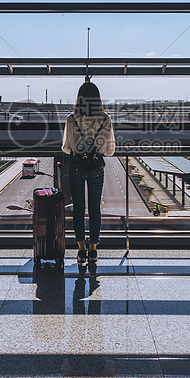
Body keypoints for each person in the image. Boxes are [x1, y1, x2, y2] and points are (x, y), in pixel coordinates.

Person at [61, 81, 116, 267]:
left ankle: (81, 249)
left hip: (76, 166)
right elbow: (109, 150)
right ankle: (93, 250)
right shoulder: (106, 119)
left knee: (78, 209)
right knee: (94, 209)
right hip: (96, 168)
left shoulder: (71, 118)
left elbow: (66, 148)